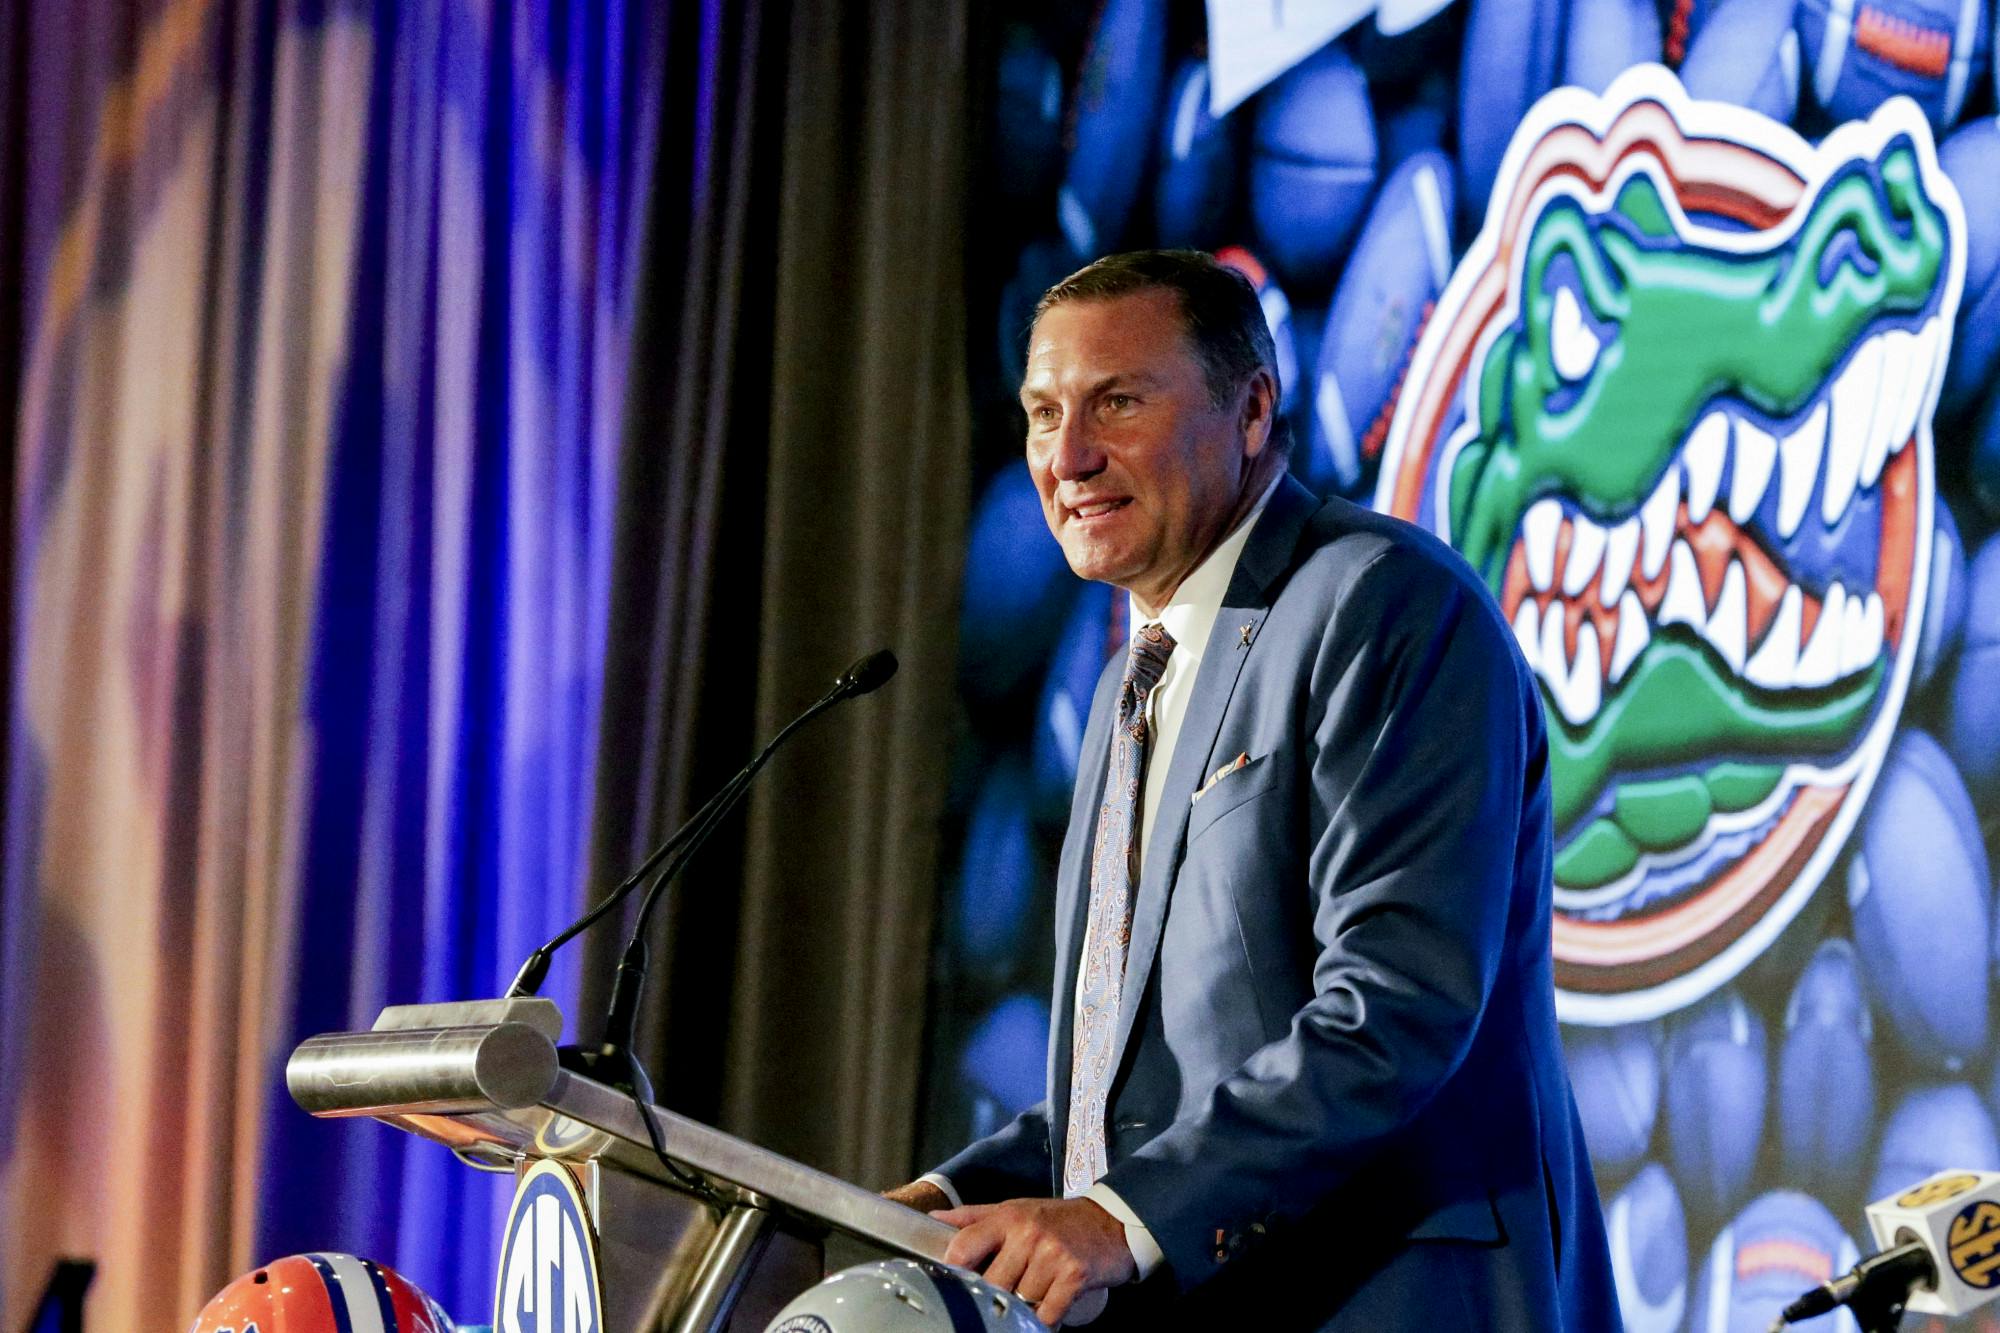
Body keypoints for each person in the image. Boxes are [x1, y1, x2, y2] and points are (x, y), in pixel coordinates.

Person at [886, 250, 1620, 1330]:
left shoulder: (1382, 608)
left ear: (1251, 410)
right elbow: (1137, 1088)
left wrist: (1119, 1217)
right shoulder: (1129, 682)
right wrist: (947, 1201)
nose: (1068, 456)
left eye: (1116, 402)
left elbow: (1393, 1008)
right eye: (1043, 414)